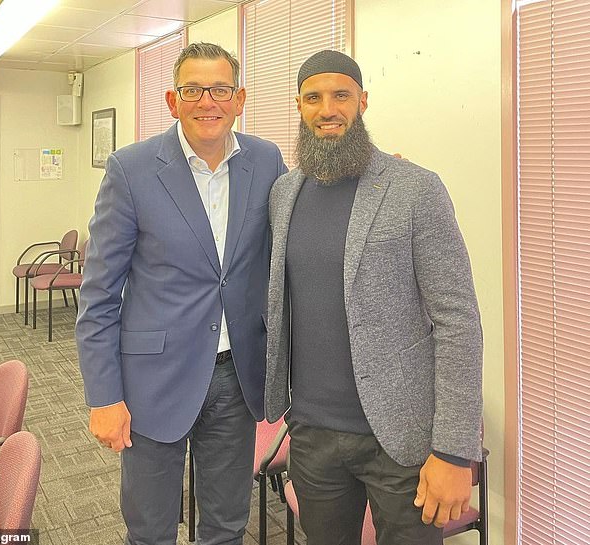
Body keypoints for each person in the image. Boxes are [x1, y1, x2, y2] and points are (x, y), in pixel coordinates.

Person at [264, 50, 483, 545]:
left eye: (341, 95)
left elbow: (458, 321)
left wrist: (453, 450)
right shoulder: (283, 193)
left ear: (363, 101)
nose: (328, 109)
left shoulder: (415, 189)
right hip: (313, 435)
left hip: (401, 440)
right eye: (314, 98)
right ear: (298, 106)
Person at [76, 42, 285, 545]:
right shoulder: (132, 169)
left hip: (237, 379)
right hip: (152, 381)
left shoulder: (266, 160)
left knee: (227, 526)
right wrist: (104, 395)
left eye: (219, 90)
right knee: (150, 529)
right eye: (192, 90)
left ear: (239, 99)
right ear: (173, 100)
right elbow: (99, 293)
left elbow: (298, 226)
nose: (206, 101)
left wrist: (369, 178)